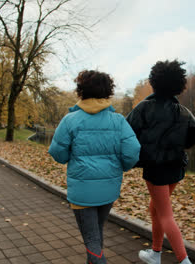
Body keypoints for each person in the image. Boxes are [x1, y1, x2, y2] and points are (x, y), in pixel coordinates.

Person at [48, 70, 140, 264]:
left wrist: (69, 156)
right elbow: (133, 151)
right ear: (108, 91)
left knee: (92, 239)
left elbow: (57, 153)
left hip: (82, 192)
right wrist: (120, 167)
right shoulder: (119, 121)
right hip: (109, 189)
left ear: (81, 91)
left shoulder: (70, 120)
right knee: (96, 234)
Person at [126, 60, 195, 264]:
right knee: (155, 208)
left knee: (165, 214)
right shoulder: (183, 111)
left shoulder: (144, 107)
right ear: (178, 84)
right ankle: (155, 253)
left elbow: (126, 132)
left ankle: (184, 261)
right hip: (176, 167)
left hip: (156, 169)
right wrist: (177, 144)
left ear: (154, 81)